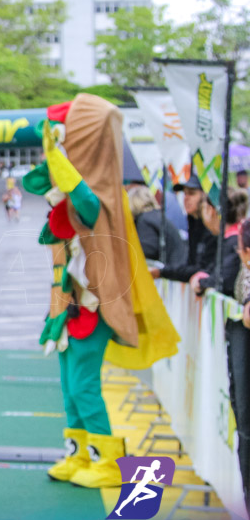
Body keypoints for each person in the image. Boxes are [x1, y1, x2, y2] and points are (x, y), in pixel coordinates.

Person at [22, 95, 178, 489]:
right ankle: (79, 454)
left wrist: (54, 152)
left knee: (83, 385)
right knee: (69, 386)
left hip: (93, 308)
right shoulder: (74, 202)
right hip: (69, 308)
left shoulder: (101, 203)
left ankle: (109, 462)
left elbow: (81, 196)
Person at [190, 187, 248, 299]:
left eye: (203, 208)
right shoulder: (231, 238)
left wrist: (202, 282)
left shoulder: (235, 240)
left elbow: (223, 280)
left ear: (211, 210)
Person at [126, 183, 186, 268]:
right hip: (177, 267)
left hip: (169, 272)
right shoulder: (157, 216)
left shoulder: (145, 220)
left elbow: (147, 251)